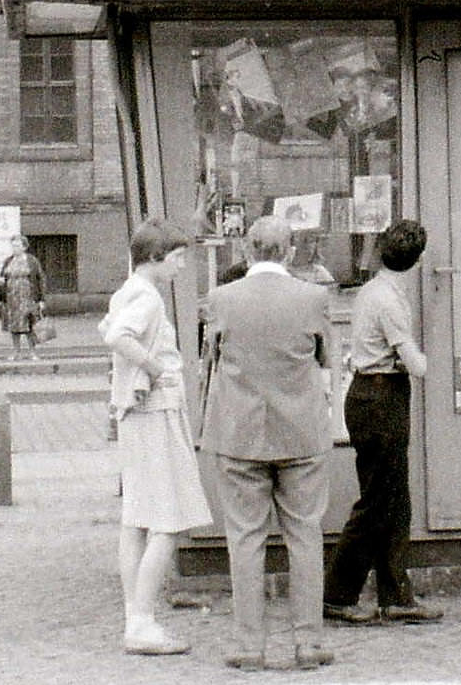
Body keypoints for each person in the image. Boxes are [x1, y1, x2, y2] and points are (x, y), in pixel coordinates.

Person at [201, 215, 334, 671]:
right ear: (291, 251)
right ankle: (309, 643)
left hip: (240, 435)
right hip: (301, 433)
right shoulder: (314, 298)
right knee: (305, 536)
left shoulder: (220, 299)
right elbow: (325, 359)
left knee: (244, 539)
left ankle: (248, 645)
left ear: (246, 251)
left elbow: (210, 362)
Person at [99, 218, 212, 657]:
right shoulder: (147, 299)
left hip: (136, 414)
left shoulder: (128, 290)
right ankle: (143, 623)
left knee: (137, 520)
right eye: (178, 258)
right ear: (155, 258)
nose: (182, 267)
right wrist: (155, 366)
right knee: (165, 520)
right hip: (155, 412)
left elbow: (109, 327)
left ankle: (136, 615)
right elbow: (118, 335)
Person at [323, 220, 444, 626]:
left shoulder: (373, 290)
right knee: (378, 502)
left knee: (393, 499)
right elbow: (417, 365)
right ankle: (337, 594)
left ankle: (396, 595)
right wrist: (425, 359)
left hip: (367, 393)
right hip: (382, 397)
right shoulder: (390, 301)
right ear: (418, 260)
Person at [0, 235, 45, 360]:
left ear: (24, 247)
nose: (15, 248)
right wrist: (1, 298)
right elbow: (3, 278)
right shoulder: (8, 261)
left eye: (17, 245)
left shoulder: (32, 261)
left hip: (28, 297)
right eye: (13, 246)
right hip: (12, 299)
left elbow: (40, 279)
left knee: (29, 325)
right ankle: (16, 352)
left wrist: (41, 299)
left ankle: (32, 352)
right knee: (14, 326)